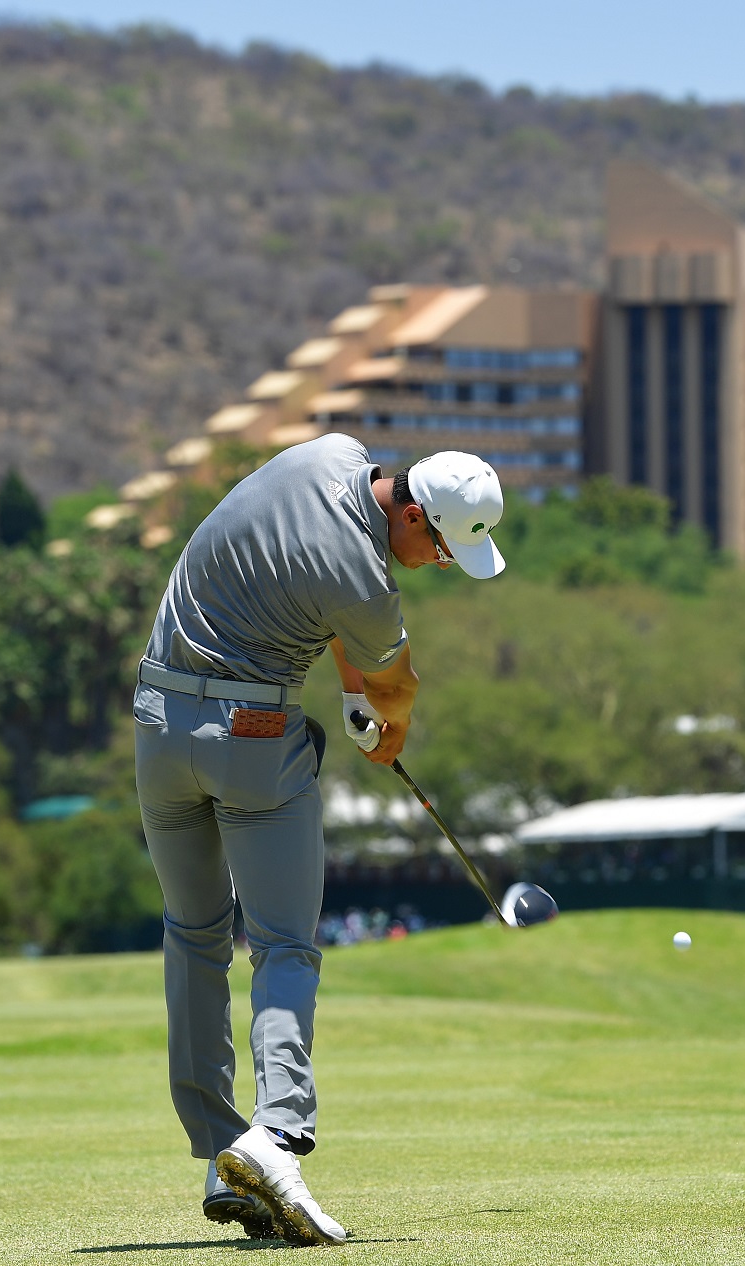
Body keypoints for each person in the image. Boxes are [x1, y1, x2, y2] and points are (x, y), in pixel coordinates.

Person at [132, 438, 507, 1245]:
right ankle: (277, 1136)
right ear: (412, 514)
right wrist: (385, 731)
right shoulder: (369, 588)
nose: (441, 563)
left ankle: (221, 1150)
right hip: (251, 740)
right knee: (285, 945)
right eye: (441, 545)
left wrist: (344, 689)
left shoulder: (328, 453)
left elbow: (308, 577)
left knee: (193, 934)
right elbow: (396, 689)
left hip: (158, 728)